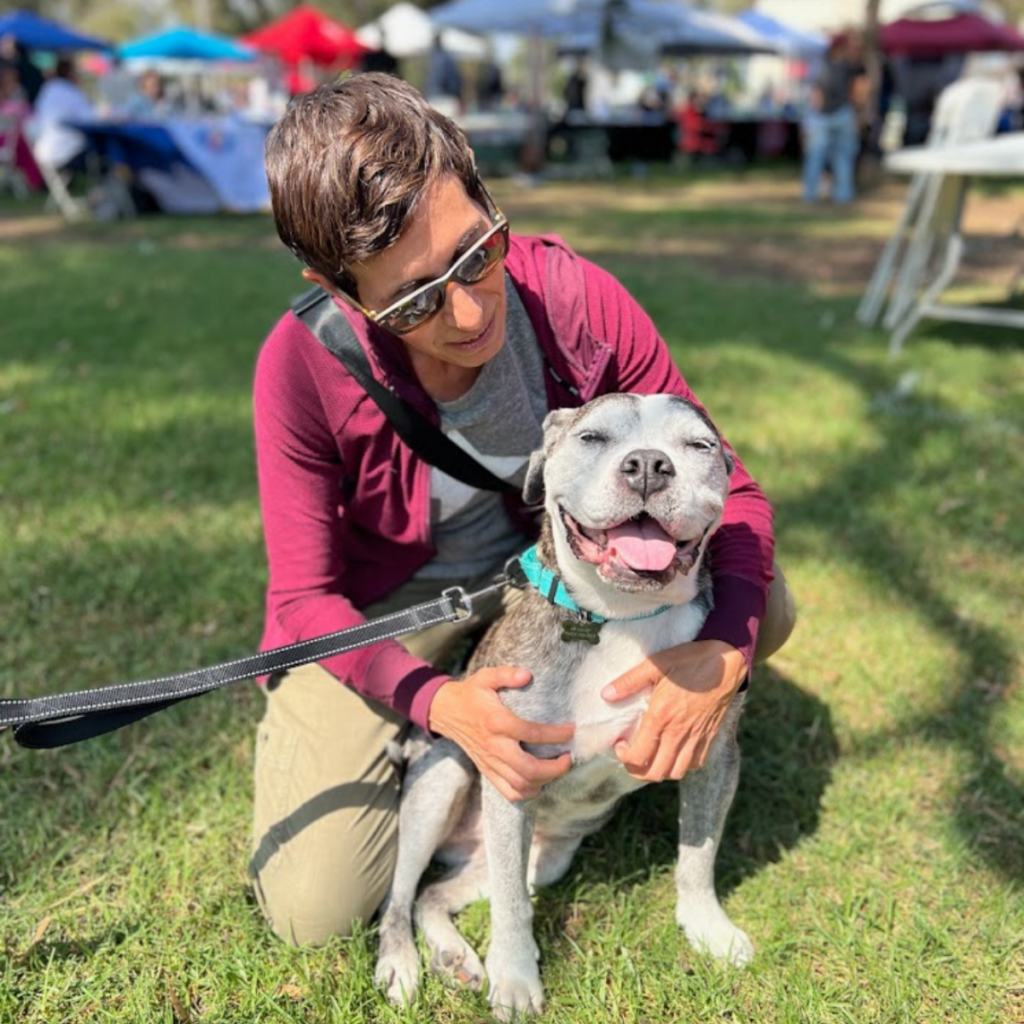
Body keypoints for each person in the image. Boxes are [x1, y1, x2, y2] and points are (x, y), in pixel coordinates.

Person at [250, 72, 796, 946]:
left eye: (477, 253)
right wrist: (438, 702)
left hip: (554, 577)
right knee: (315, 912)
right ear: (341, 288)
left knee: (765, 602)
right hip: (392, 608)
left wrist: (725, 648)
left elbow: (733, 489)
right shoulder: (300, 367)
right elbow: (303, 604)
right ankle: (419, 758)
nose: (468, 312)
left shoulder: (575, 299)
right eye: (414, 297)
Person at [801, 30, 865, 204]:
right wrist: (858, 114)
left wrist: (815, 115)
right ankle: (843, 195)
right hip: (843, 114)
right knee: (842, 157)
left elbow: (815, 95)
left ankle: (809, 195)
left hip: (823, 116)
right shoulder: (851, 67)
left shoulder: (820, 66)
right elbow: (859, 91)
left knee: (816, 156)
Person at [28, 54, 95, 174]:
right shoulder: (73, 91)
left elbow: (36, 115)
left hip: (42, 152)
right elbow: (90, 118)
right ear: (70, 73)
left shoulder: (47, 88)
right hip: (66, 153)